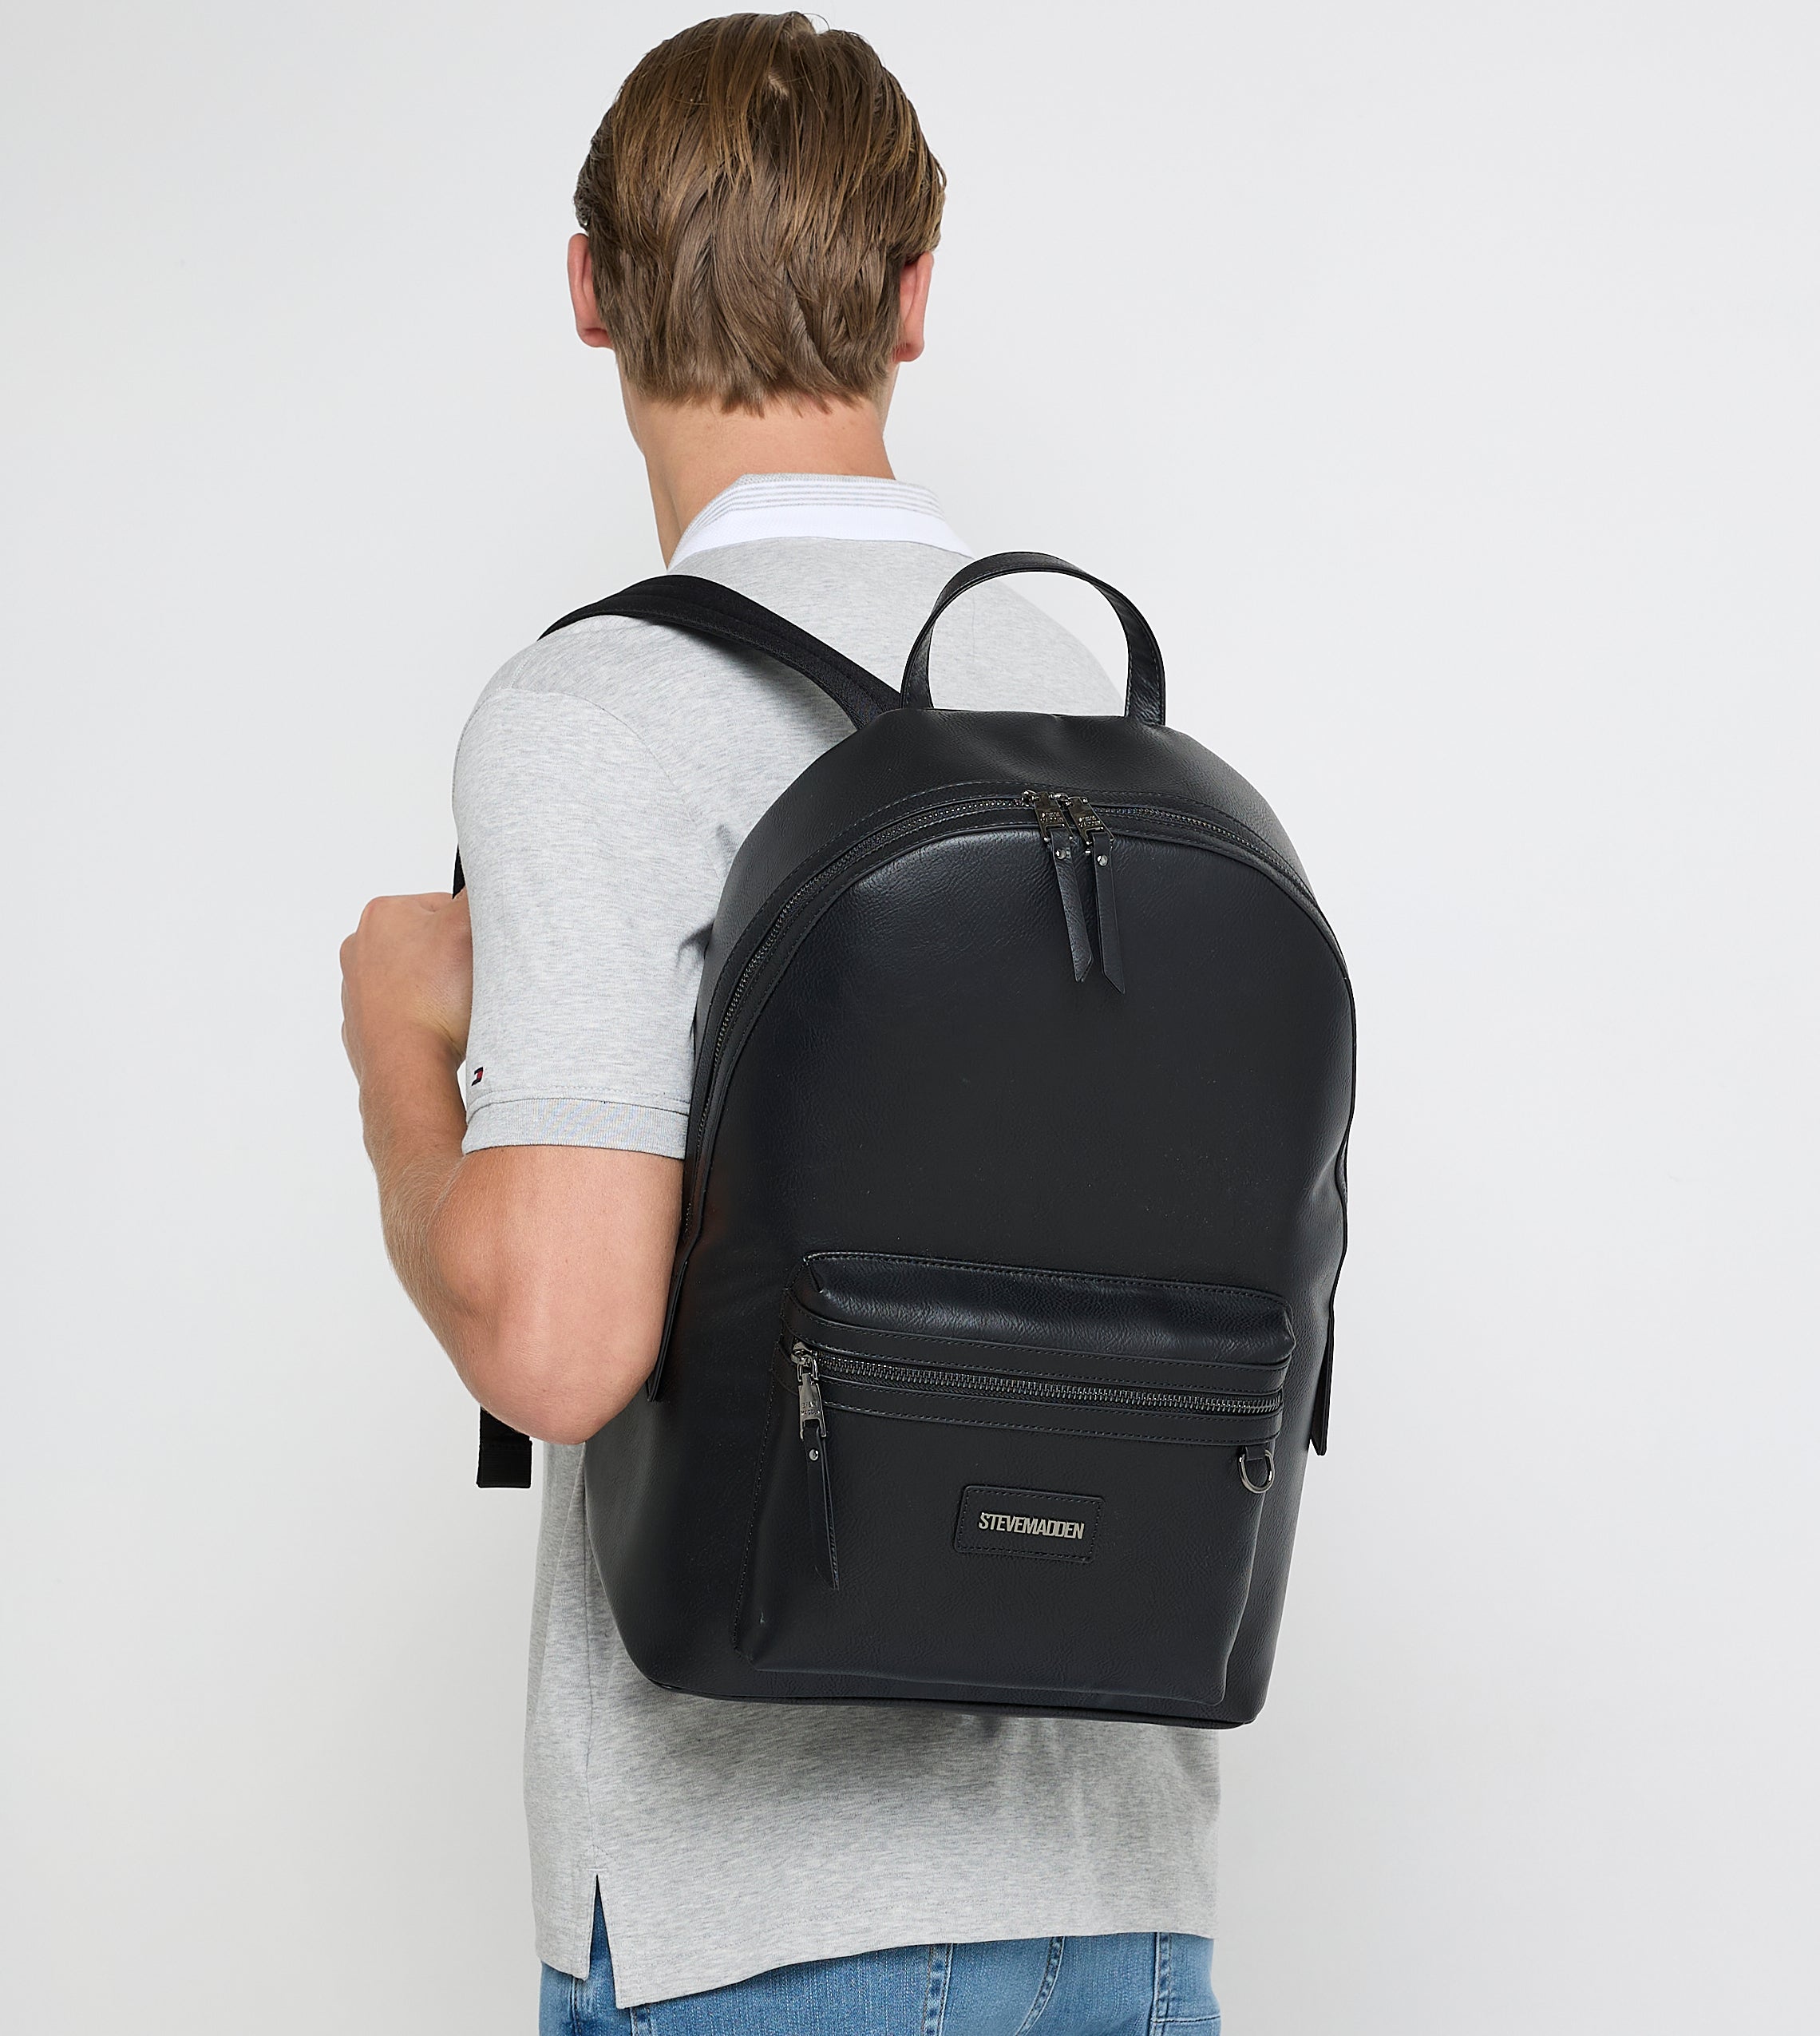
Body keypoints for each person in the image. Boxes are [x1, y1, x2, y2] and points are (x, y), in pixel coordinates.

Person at [339, 15, 1224, 2033]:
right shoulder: (1090, 700)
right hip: (1127, 1903)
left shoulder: (596, 718)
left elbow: (559, 1348)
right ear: (915, 296)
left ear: (589, 288)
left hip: (765, 1928)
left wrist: (400, 1057)